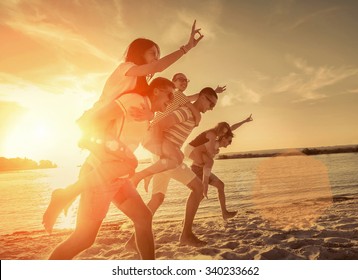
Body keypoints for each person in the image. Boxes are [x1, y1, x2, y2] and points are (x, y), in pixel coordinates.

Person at [43, 20, 204, 234]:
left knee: (116, 167)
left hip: (106, 129)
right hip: (96, 124)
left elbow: (149, 103)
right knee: (128, 162)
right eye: (153, 53)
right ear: (139, 53)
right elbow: (156, 69)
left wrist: (150, 113)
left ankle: (69, 197)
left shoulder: (140, 84)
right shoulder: (126, 68)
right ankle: (65, 195)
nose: (156, 59)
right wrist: (186, 48)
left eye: (158, 54)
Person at [47, 77, 176, 260]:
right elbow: (97, 121)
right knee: (83, 239)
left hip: (117, 176)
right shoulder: (135, 100)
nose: (171, 100)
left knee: (143, 218)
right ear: (156, 91)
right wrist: (119, 151)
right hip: (100, 173)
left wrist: (151, 121)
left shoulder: (146, 113)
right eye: (169, 94)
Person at [125, 87, 219, 250]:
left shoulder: (193, 115)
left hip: (165, 157)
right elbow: (158, 126)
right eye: (211, 103)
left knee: (157, 199)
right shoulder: (186, 112)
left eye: (213, 107)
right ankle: (186, 235)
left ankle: (133, 242)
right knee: (198, 189)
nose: (211, 109)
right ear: (203, 97)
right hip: (168, 157)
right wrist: (162, 154)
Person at [129, 72, 226, 190]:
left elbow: (194, 98)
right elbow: (194, 102)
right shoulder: (177, 95)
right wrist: (197, 115)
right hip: (155, 130)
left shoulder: (179, 98)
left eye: (186, 80)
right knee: (178, 158)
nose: (184, 82)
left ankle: (148, 173)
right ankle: (141, 175)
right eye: (181, 80)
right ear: (173, 82)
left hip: (156, 128)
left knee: (175, 159)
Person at [188, 114, 253, 220]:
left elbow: (232, 128)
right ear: (223, 139)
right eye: (229, 141)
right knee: (199, 195)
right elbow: (204, 161)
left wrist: (244, 121)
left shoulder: (218, 142)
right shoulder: (213, 143)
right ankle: (187, 219)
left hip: (202, 170)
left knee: (220, 186)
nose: (230, 144)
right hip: (197, 169)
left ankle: (224, 213)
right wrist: (205, 183)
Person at [184, 122, 231, 198]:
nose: (223, 134)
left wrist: (244, 121)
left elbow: (233, 128)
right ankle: (205, 184)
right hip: (191, 150)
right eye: (222, 132)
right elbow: (211, 150)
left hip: (194, 150)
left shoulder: (216, 135)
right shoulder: (212, 135)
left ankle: (204, 184)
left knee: (205, 163)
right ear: (219, 128)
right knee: (209, 162)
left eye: (224, 133)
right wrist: (216, 151)